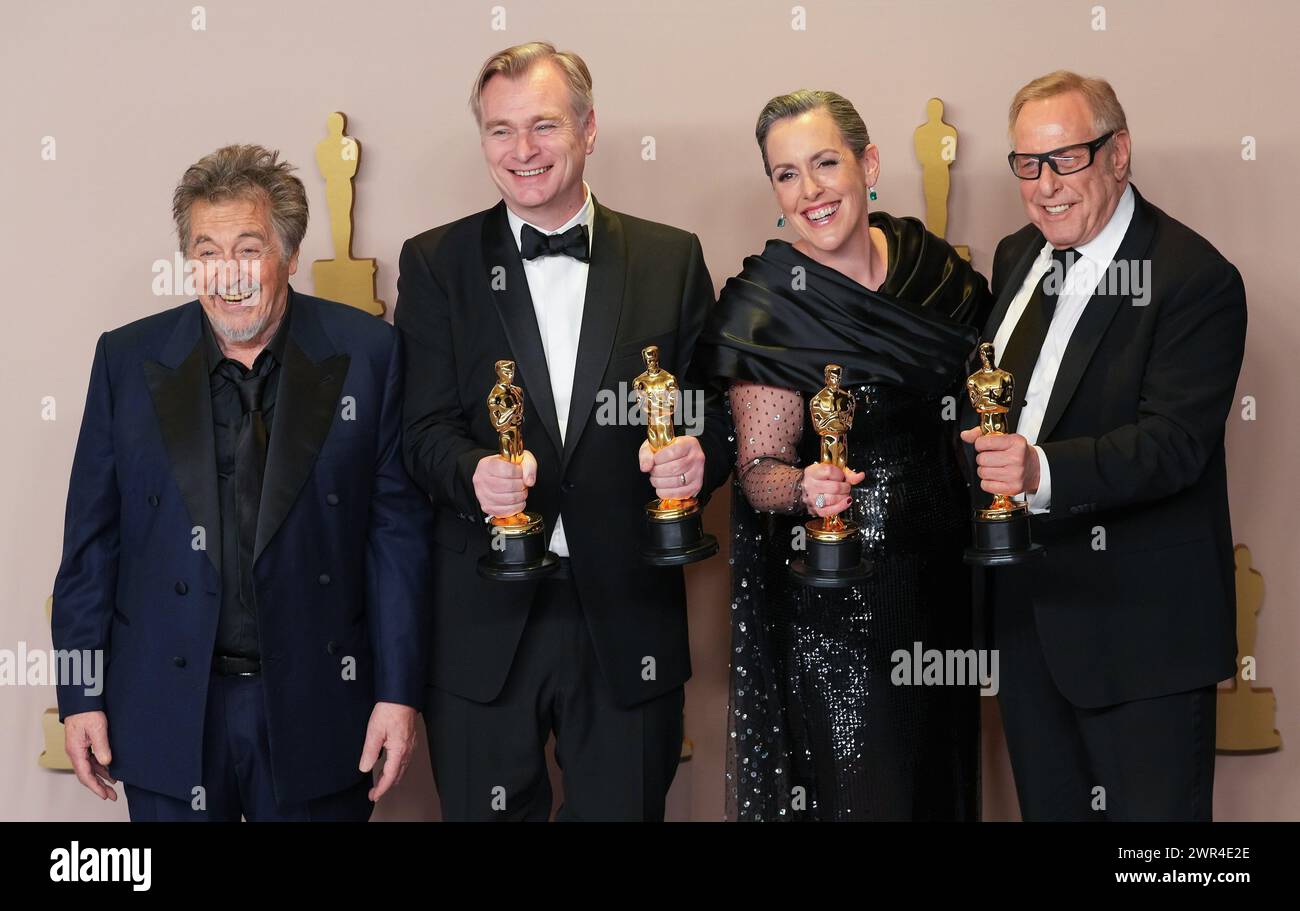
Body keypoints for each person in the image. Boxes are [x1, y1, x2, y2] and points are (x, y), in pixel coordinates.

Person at [395, 42, 732, 821]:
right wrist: (474, 472)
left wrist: (698, 455)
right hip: (483, 617)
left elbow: (713, 407)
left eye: (543, 125)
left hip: (627, 614)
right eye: (500, 130)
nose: (522, 151)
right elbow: (422, 430)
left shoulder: (669, 258)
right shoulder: (437, 262)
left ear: (588, 130)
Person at [52, 145, 433, 821]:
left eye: (248, 248)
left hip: (320, 707)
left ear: (287, 252)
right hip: (168, 711)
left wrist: (398, 693)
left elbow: (395, 542)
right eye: (206, 249)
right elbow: (90, 548)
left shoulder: (370, 356)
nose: (227, 274)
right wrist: (81, 697)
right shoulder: (126, 359)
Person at [694, 90, 991, 820]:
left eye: (826, 163)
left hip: (946, 586)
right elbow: (758, 473)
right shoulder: (767, 306)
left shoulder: (934, 271)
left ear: (870, 163)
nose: (811, 191)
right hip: (841, 606)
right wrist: (805, 488)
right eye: (787, 174)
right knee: (866, 798)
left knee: (941, 792)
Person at [962, 70, 1246, 821]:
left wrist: (1040, 469)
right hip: (1031, 630)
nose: (1044, 185)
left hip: (1142, 643)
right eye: (1027, 162)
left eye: (1066, 158)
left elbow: (1174, 445)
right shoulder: (1015, 256)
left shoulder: (1195, 278)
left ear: (1119, 154)